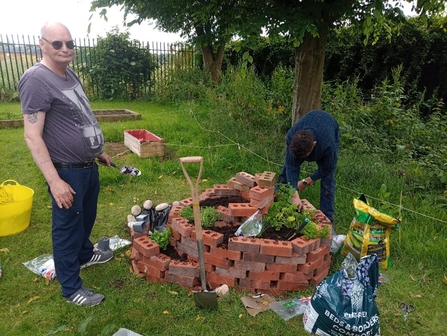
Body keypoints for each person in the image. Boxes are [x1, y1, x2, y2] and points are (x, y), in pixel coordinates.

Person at [18, 22, 113, 306]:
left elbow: (78, 116)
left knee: (84, 218)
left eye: (70, 44)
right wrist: (54, 180)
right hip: (66, 170)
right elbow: (32, 136)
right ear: (42, 44)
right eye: (57, 44)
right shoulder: (36, 79)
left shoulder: (68, 74)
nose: (65, 49)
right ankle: (71, 288)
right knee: (67, 227)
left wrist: (96, 151)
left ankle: (85, 254)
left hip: (87, 165)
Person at [278, 110, 340, 228]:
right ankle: (279, 201)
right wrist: (294, 194)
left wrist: (307, 180)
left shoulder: (327, 146)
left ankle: (327, 221)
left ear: (314, 144)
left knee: (328, 182)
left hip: (329, 126)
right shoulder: (291, 136)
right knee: (286, 173)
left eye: (303, 157)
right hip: (306, 134)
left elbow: (328, 168)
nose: (299, 160)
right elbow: (292, 166)